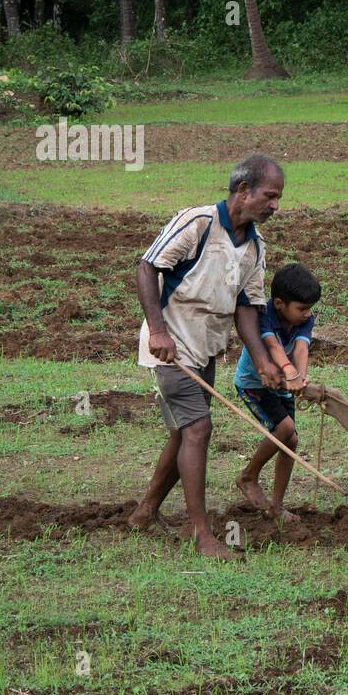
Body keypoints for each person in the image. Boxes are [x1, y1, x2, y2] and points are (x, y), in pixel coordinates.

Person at [128, 154, 285, 558]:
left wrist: (263, 360)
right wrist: (158, 332)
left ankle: (145, 513)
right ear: (243, 190)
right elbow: (148, 268)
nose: (275, 206)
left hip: (207, 344)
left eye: (278, 198)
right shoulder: (198, 222)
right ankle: (202, 535)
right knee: (199, 430)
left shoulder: (254, 246)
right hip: (171, 344)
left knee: (183, 430)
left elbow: (248, 307)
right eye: (270, 196)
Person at [233, 263, 322, 522]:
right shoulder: (265, 314)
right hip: (254, 384)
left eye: (309, 309)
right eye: (302, 308)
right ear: (281, 303)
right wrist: (289, 371)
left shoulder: (306, 319)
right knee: (283, 429)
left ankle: (276, 506)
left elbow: (302, 348)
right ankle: (248, 476)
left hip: (283, 386)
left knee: (291, 441)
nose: (307, 314)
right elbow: (272, 344)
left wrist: (301, 378)